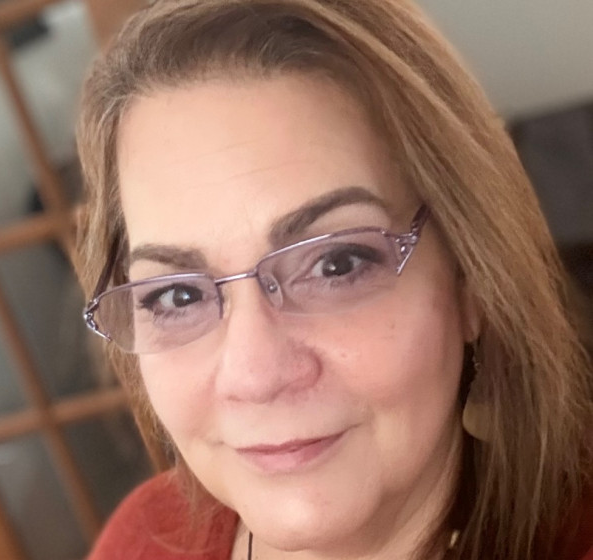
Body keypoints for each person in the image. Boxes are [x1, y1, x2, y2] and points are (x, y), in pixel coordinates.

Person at [74, 1, 593, 559]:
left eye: (336, 264)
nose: (255, 375)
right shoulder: (145, 538)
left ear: (470, 275)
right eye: (177, 296)